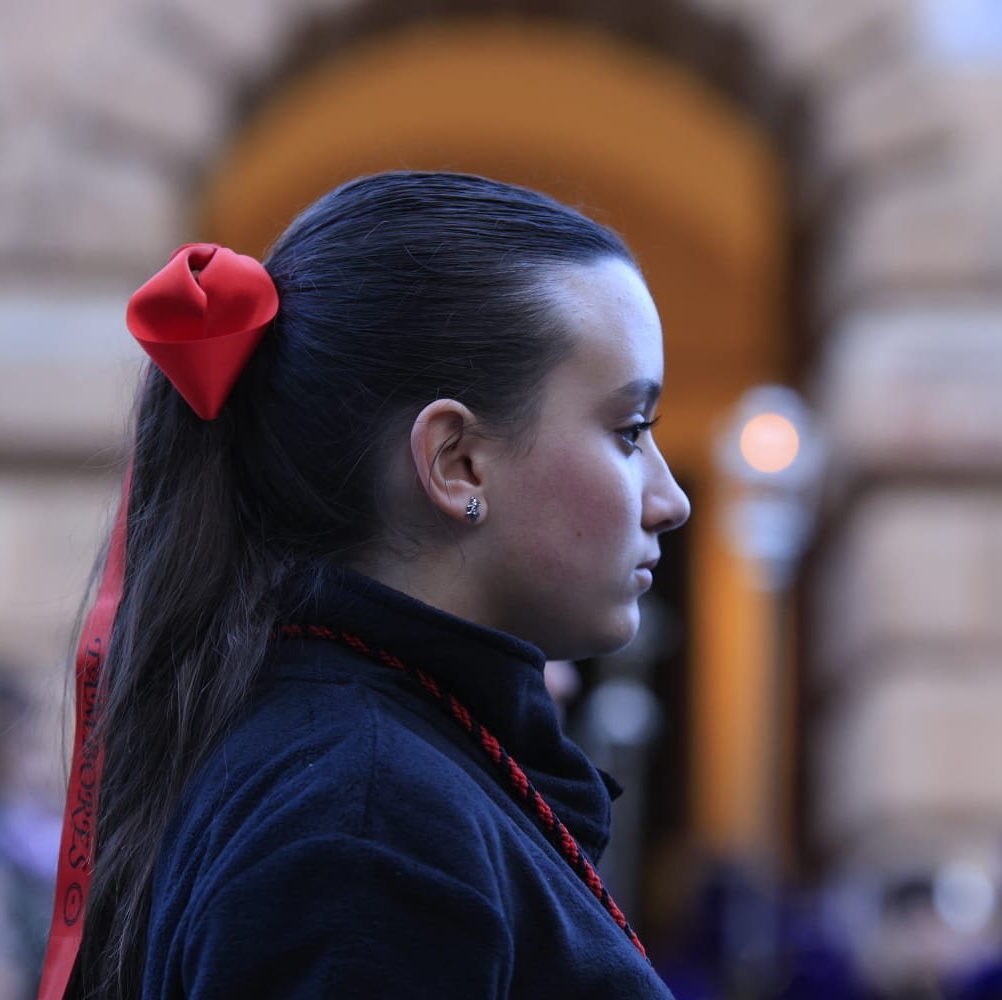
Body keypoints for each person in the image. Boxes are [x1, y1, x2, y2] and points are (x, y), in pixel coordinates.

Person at [48, 171, 691, 998]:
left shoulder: (370, 776)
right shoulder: (368, 821)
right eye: (630, 431)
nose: (670, 501)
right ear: (457, 462)